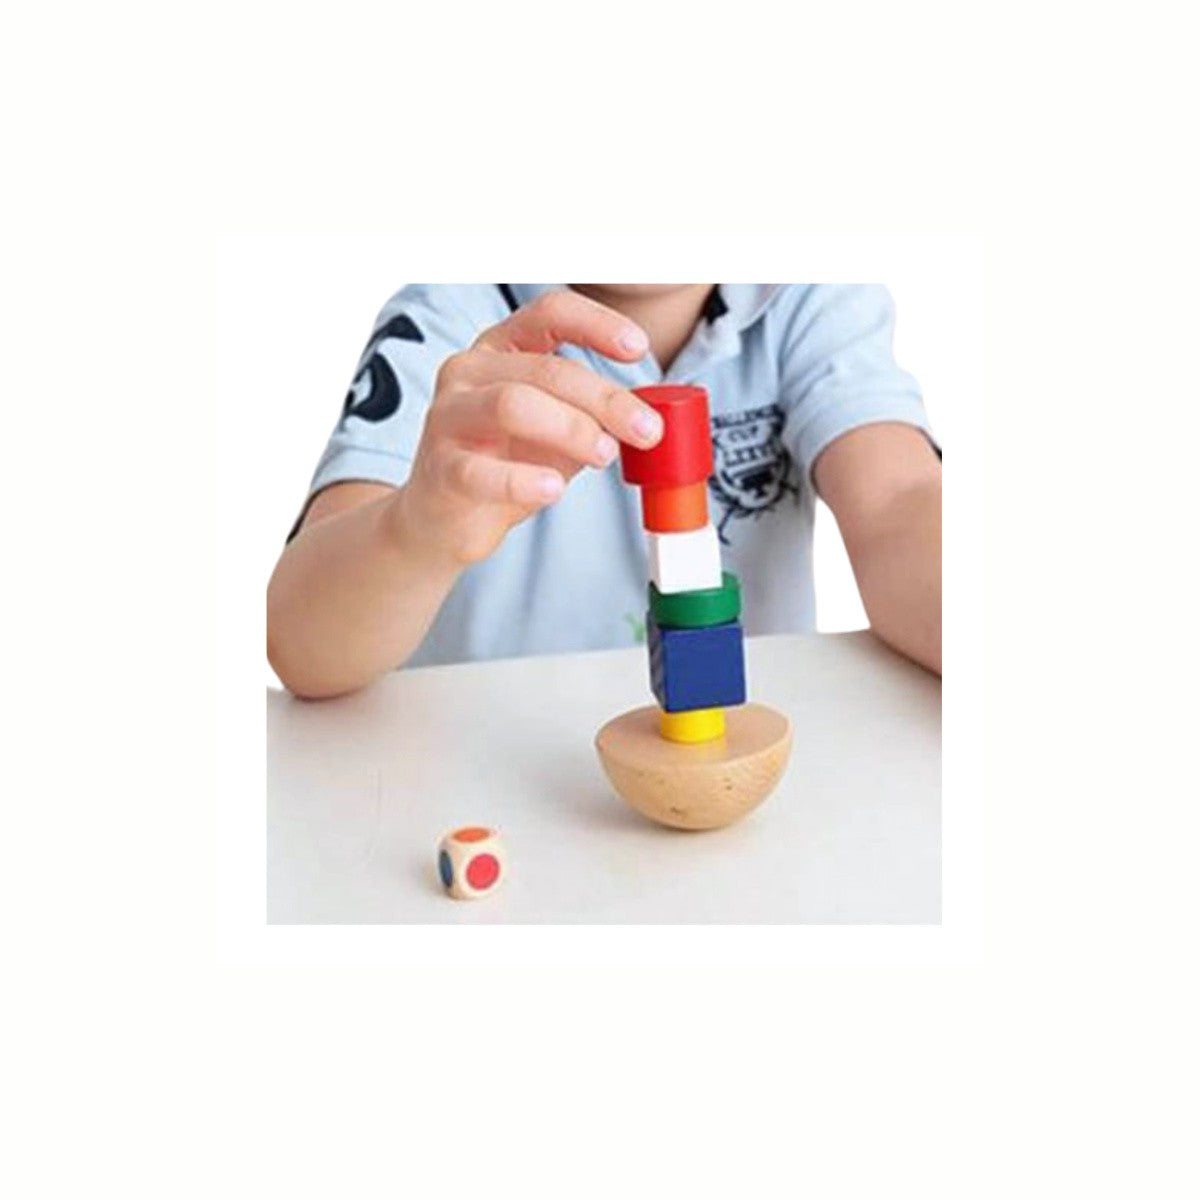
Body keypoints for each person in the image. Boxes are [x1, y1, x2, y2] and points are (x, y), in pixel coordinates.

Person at [267, 284, 941, 699]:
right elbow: (299, 643)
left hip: (729, 795)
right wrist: (413, 531)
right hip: (489, 782)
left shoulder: (811, 300)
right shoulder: (448, 323)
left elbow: (899, 500)